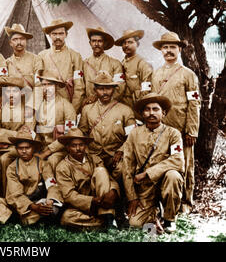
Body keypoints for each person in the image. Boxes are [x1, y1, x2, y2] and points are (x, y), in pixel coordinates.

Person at [151, 32, 200, 213]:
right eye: (165, 47)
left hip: (182, 130)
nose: (169, 51)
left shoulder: (188, 75)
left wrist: (192, 130)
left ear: (179, 49)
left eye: (173, 47)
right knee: (162, 164)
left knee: (185, 164)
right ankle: (164, 203)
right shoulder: (155, 75)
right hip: (162, 130)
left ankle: (186, 202)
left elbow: (194, 102)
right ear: (161, 50)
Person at [122, 93, 184, 233]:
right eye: (147, 109)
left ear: (164, 113)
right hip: (145, 188)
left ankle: (169, 220)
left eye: (155, 109)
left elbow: (177, 160)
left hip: (164, 182)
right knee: (135, 223)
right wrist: (132, 197)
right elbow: (127, 166)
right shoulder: (134, 134)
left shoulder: (173, 134)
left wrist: (147, 174)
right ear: (142, 113)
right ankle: (154, 216)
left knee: (173, 176)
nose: (151, 113)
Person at [56, 128, 120, 229]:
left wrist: (113, 191)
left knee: (101, 171)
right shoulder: (62, 167)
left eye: (81, 145)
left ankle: (107, 215)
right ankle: (103, 223)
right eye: (74, 145)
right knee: (67, 218)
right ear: (67, 147)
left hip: (102, 200)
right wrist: (92, 201)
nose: (78, 148)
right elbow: (69, 195)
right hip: (83, 205)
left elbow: (109, 179)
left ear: (85, 146)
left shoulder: (94, 159)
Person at [78, 71, 136, 181]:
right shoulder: (87, 109)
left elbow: (132, 136)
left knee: (122, 169)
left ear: (114, 89)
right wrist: (87, 153)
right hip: (94, 155)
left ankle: (115, 193)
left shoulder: (125, 110)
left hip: (114, 155)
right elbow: (82, 133)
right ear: (95, 90)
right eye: (101, 89)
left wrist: (121, 151)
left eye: (108, 88)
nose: (105, 92)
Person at [5, 130, 62, 225]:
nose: (24, 151)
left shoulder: (43, 164)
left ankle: (17, 219)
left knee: (53, 209)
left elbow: (51, 184)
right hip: (19, 204)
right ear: (16, 149)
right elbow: (15, 195)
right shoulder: (12, 168)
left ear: (33, 148)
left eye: (27, 148)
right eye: (20, 148)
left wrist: (50, 201)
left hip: (38, 201)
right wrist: (33, 207)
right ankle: (22, 217)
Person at [0, 77, 36, 195]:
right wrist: (16, 134)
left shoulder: (27, 110)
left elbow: (28, 135)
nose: (11, 94)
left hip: (19, 149)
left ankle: (11, 197)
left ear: (21, 93)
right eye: (8, 91)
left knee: (5, 159)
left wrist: (3, 133)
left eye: (15, 91)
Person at [38, 19, 85, 113]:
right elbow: (38, 84)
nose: (57, 37)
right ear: (50, 35)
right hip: (48, 104)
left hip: (68, 101)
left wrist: (73, 109)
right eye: (54, 34)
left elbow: (79, 86)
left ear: (66, 34)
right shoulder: (42, 56)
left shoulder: (75, 56)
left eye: (61, 33)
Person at [34, 73, 77, 174]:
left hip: (59, 150)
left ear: (56, 86)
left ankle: (52, 188)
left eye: (50, 84)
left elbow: (69, 134)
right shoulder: (38, 105)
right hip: (41, 147)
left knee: (51, 161)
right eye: (44, 85)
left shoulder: (66, 106)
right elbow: (34, 129)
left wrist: (47, 152)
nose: (46, 88)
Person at [114, 29, 153, 118]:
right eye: (124, 43)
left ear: (137, 44)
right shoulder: (121, 63)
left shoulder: (143, 63)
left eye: (130, 42)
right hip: (122, 107)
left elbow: (146, 91)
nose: (126, 45)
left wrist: (141, 109)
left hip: (137, 108)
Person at [83, 27, 125, 105]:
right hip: (89, 106)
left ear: (105, 43)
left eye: (100, 41)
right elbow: (81, 87)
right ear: (90, 43)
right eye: (93, 41)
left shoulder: (115, 63)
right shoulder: (84, 64)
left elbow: (120, 87)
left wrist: (102, 100)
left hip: (109, 106)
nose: (96, 44)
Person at [4, 23, 43, 88]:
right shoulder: (7, 62)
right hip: (13, 96)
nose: (19, 42)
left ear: (26, 41)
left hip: (31, 96)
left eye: (22, 39)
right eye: (15, 39)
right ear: (10, 43)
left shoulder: (36, 59)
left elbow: (38, 83)